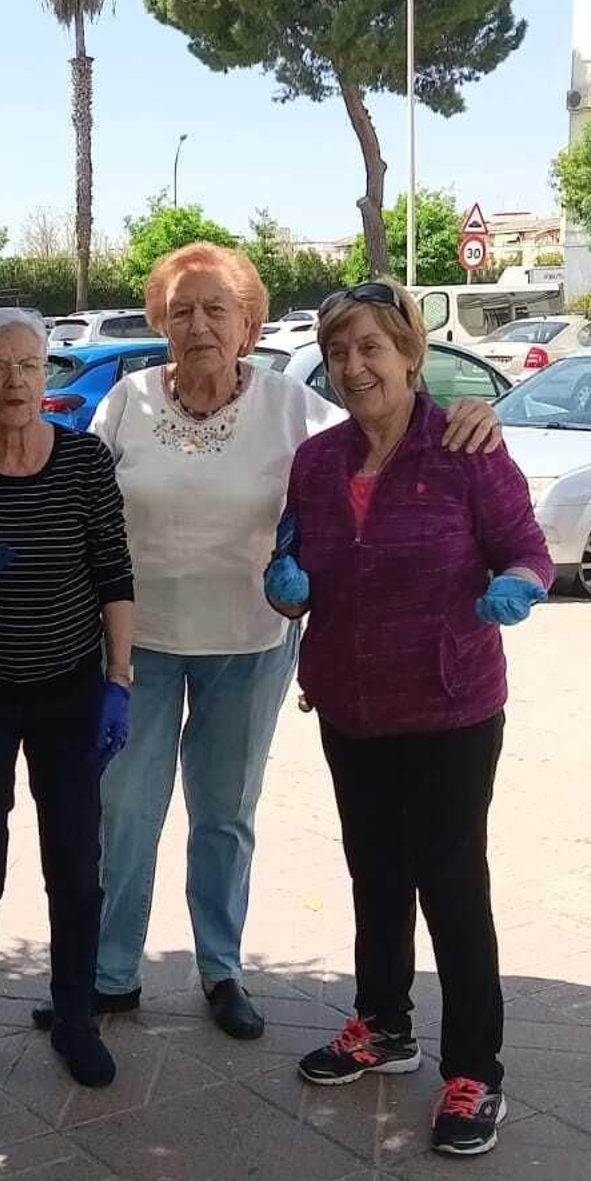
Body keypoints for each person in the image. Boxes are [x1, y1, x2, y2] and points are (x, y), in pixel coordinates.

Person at [40, 243, 505, 1042]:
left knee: (224, 814)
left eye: (216, 308)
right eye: (180, 309)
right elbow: (75, 489)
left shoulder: (294, 405)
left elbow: (385, 433)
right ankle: (111, 972)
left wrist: (475, 412)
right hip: (136, 644)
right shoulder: (125, 400)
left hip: (251, 642)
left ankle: (220, 968)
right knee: (126, 807)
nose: (198, 324)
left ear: (249, 323)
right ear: (159, 321)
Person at [267, 280, 552, 1156]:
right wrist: (286, 586)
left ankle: (475, 1068)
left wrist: (518, 586)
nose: (355, 367)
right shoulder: (317, 463)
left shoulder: (466, 445)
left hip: (449, 708)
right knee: (374, 873)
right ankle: (383, 1023)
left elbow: (529, 549)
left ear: (411, 355)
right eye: (340, 351)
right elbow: (292, 551)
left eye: (372, 349)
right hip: (350, 706)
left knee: (452, 885)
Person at [0, 309, 135, 1095]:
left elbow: (114, 572)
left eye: (29, 365)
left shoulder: (83, 462)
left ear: (48, 375)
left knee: (75, 861)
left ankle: (73, 1014)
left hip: (70, 689)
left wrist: (119, 677)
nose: (13, 381)